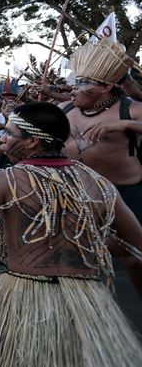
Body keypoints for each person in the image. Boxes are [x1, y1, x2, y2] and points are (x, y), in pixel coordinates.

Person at [0, 102, 142, 366]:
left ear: (32, 142)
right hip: (86, 306)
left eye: (9, 133)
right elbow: (136, 248)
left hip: (23, 296)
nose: (3, 139)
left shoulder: (6, 179)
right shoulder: (99, 183)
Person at [60, 38, 142, 293]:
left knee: (133, 255)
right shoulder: (64, 108)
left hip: (124, 192)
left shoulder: (131, 109)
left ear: (106, 86)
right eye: (77, 81)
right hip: (78, 193)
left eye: (83, 82)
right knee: (75, 252)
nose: (74, 88)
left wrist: (124, 125)